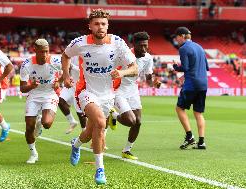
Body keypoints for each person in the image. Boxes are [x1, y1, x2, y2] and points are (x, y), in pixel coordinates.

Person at [61, 9, 138, 185]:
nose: (100, 27)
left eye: (103, 23)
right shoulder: (79, 43)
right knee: (101, 124)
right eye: (96, 24)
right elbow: (65, 56)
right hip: (86, 91)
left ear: (107, 25)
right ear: (90, 26)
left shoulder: (117, 43)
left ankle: (76, 145)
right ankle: (100, 170)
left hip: (108, 95)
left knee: (89, 132)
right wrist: (66, 75)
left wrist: (122, 72)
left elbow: (134, 68)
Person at [110, 32, 161, 160]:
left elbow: (148, 79)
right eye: (141, 46)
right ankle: (113, 115)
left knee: (138, 122)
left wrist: (154, 82)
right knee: (130, 121)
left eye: (146, 46)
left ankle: (126, 150)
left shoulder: (148, 58)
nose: (144, 49)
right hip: (118, 90)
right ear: (134, 45)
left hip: (132, 90)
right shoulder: (123, 56)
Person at [20, 39, 62, 164]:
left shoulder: (54, 61)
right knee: (29, 127)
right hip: (34, 95)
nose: (44, 55)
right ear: (35, 51)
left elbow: (67, 69)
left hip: (50, 94)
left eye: (47, 52)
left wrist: (59, 81)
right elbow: (22, 89)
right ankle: (33, 154)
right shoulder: (26, 64)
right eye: (42, 52)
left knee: (47, 123)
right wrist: (31, 86)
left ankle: (40, 122)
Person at [172, 27, 209, 150]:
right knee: (198, 113)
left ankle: (189, 136)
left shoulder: (183, 48)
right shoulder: (199, 47)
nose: (176, 39)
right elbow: (205, 67)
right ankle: (202, 142)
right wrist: (184, 75)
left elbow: (186, 67)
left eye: (177, 37)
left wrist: (176, 67)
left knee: (179, 108)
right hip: (203, 83)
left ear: (182, 36)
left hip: (192, 84)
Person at [58, 32, 87, 134]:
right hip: (71, 84)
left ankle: (85, 132)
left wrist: (72, 67)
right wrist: (59, 81)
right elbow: (67, 71)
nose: (69, 44)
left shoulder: (83, 53)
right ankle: (72, 121)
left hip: (81, 86)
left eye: (70, 42)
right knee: (60, 101)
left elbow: (85, 70)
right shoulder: (68, 53)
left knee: (80, 113)